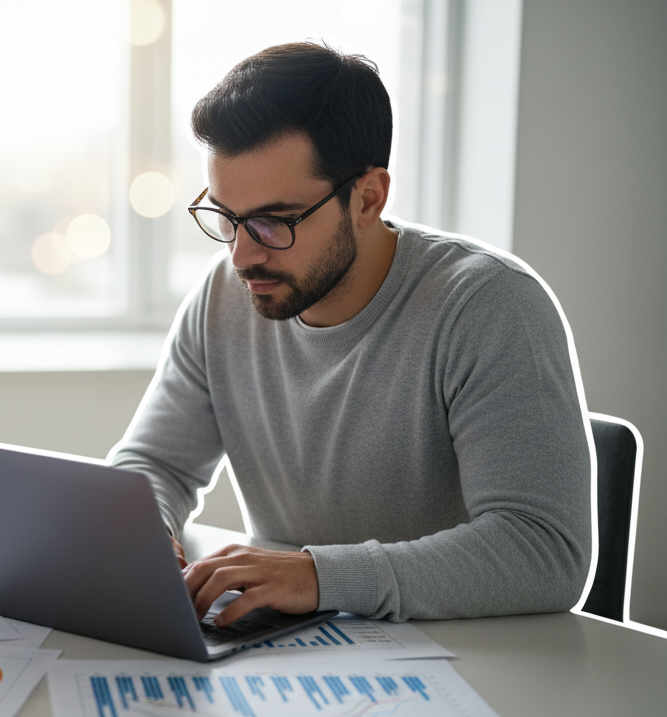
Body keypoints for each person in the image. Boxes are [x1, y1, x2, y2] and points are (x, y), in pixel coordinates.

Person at [110, 42, 591, 626]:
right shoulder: (224, 296)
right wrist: (141, 534)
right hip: (290, 651)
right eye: (226, 217)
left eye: (273, 221)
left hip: (467, 660)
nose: (241, 255)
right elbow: (156, 464)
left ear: (368, 198)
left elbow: (543, 550)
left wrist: (319, 576)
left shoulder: (489, 305)